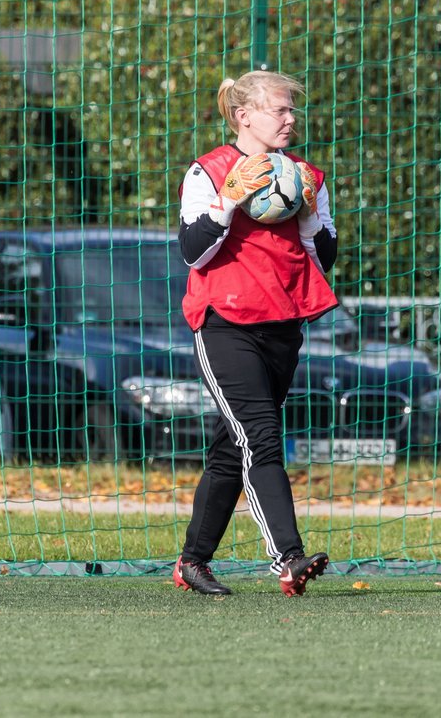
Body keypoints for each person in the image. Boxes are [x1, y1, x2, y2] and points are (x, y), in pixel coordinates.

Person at [172, 70, 338, 597]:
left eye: (291, 110)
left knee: (232, 447)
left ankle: (192, 563)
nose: (290, 119)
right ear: (244, 117)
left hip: (283, 324)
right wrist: (228, 201)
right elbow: (193, 252)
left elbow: (324, 256)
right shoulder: (209, 171)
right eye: (280, 110)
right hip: (224, 323)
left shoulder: (307, 175)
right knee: (261, 436)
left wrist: (309, 215)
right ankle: (288, 558)